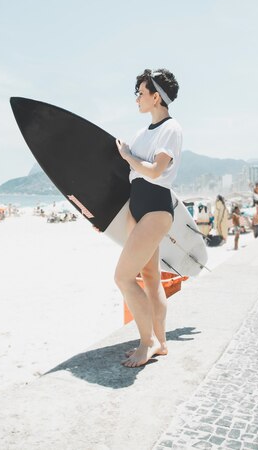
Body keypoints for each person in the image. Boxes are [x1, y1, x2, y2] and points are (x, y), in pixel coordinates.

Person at [115, 68, 182, 368]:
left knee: (123, 277)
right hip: (136, 209)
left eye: (141, 93)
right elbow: (129, 177)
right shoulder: (142, 134)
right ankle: (162, 343)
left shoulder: (172, 129)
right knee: (151, 278)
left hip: (155, 209)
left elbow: (155, 172)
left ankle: (148, 342)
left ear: (156, 97)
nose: (137, 99)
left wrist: (129, 157)